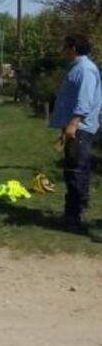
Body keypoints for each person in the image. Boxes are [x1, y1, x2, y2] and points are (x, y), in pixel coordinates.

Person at [49, 35, 101, 241]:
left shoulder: (85, 69)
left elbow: (84, 100)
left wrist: (73, 123)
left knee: (77, 170)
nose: (63, 52)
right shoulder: (76, 67)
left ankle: (75, 215)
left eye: (65, 48)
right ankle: (71, 213)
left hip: (80, 128)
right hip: (72, 128)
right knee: (71, 170)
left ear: (73, 48)